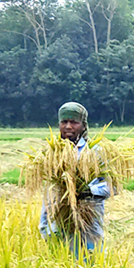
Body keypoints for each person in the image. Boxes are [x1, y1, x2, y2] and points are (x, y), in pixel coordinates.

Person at [39, 102, 112, 255]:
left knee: (91, 259)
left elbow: (112, 186)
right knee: (61, 261)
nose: (68, 126)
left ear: (84, 125)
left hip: (89, 222)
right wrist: (44, 224)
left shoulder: (95, 152)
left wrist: (89, 191)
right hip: (58, 219)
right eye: (64, 122)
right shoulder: (52, 153)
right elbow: (49, 191)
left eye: (74, 122)